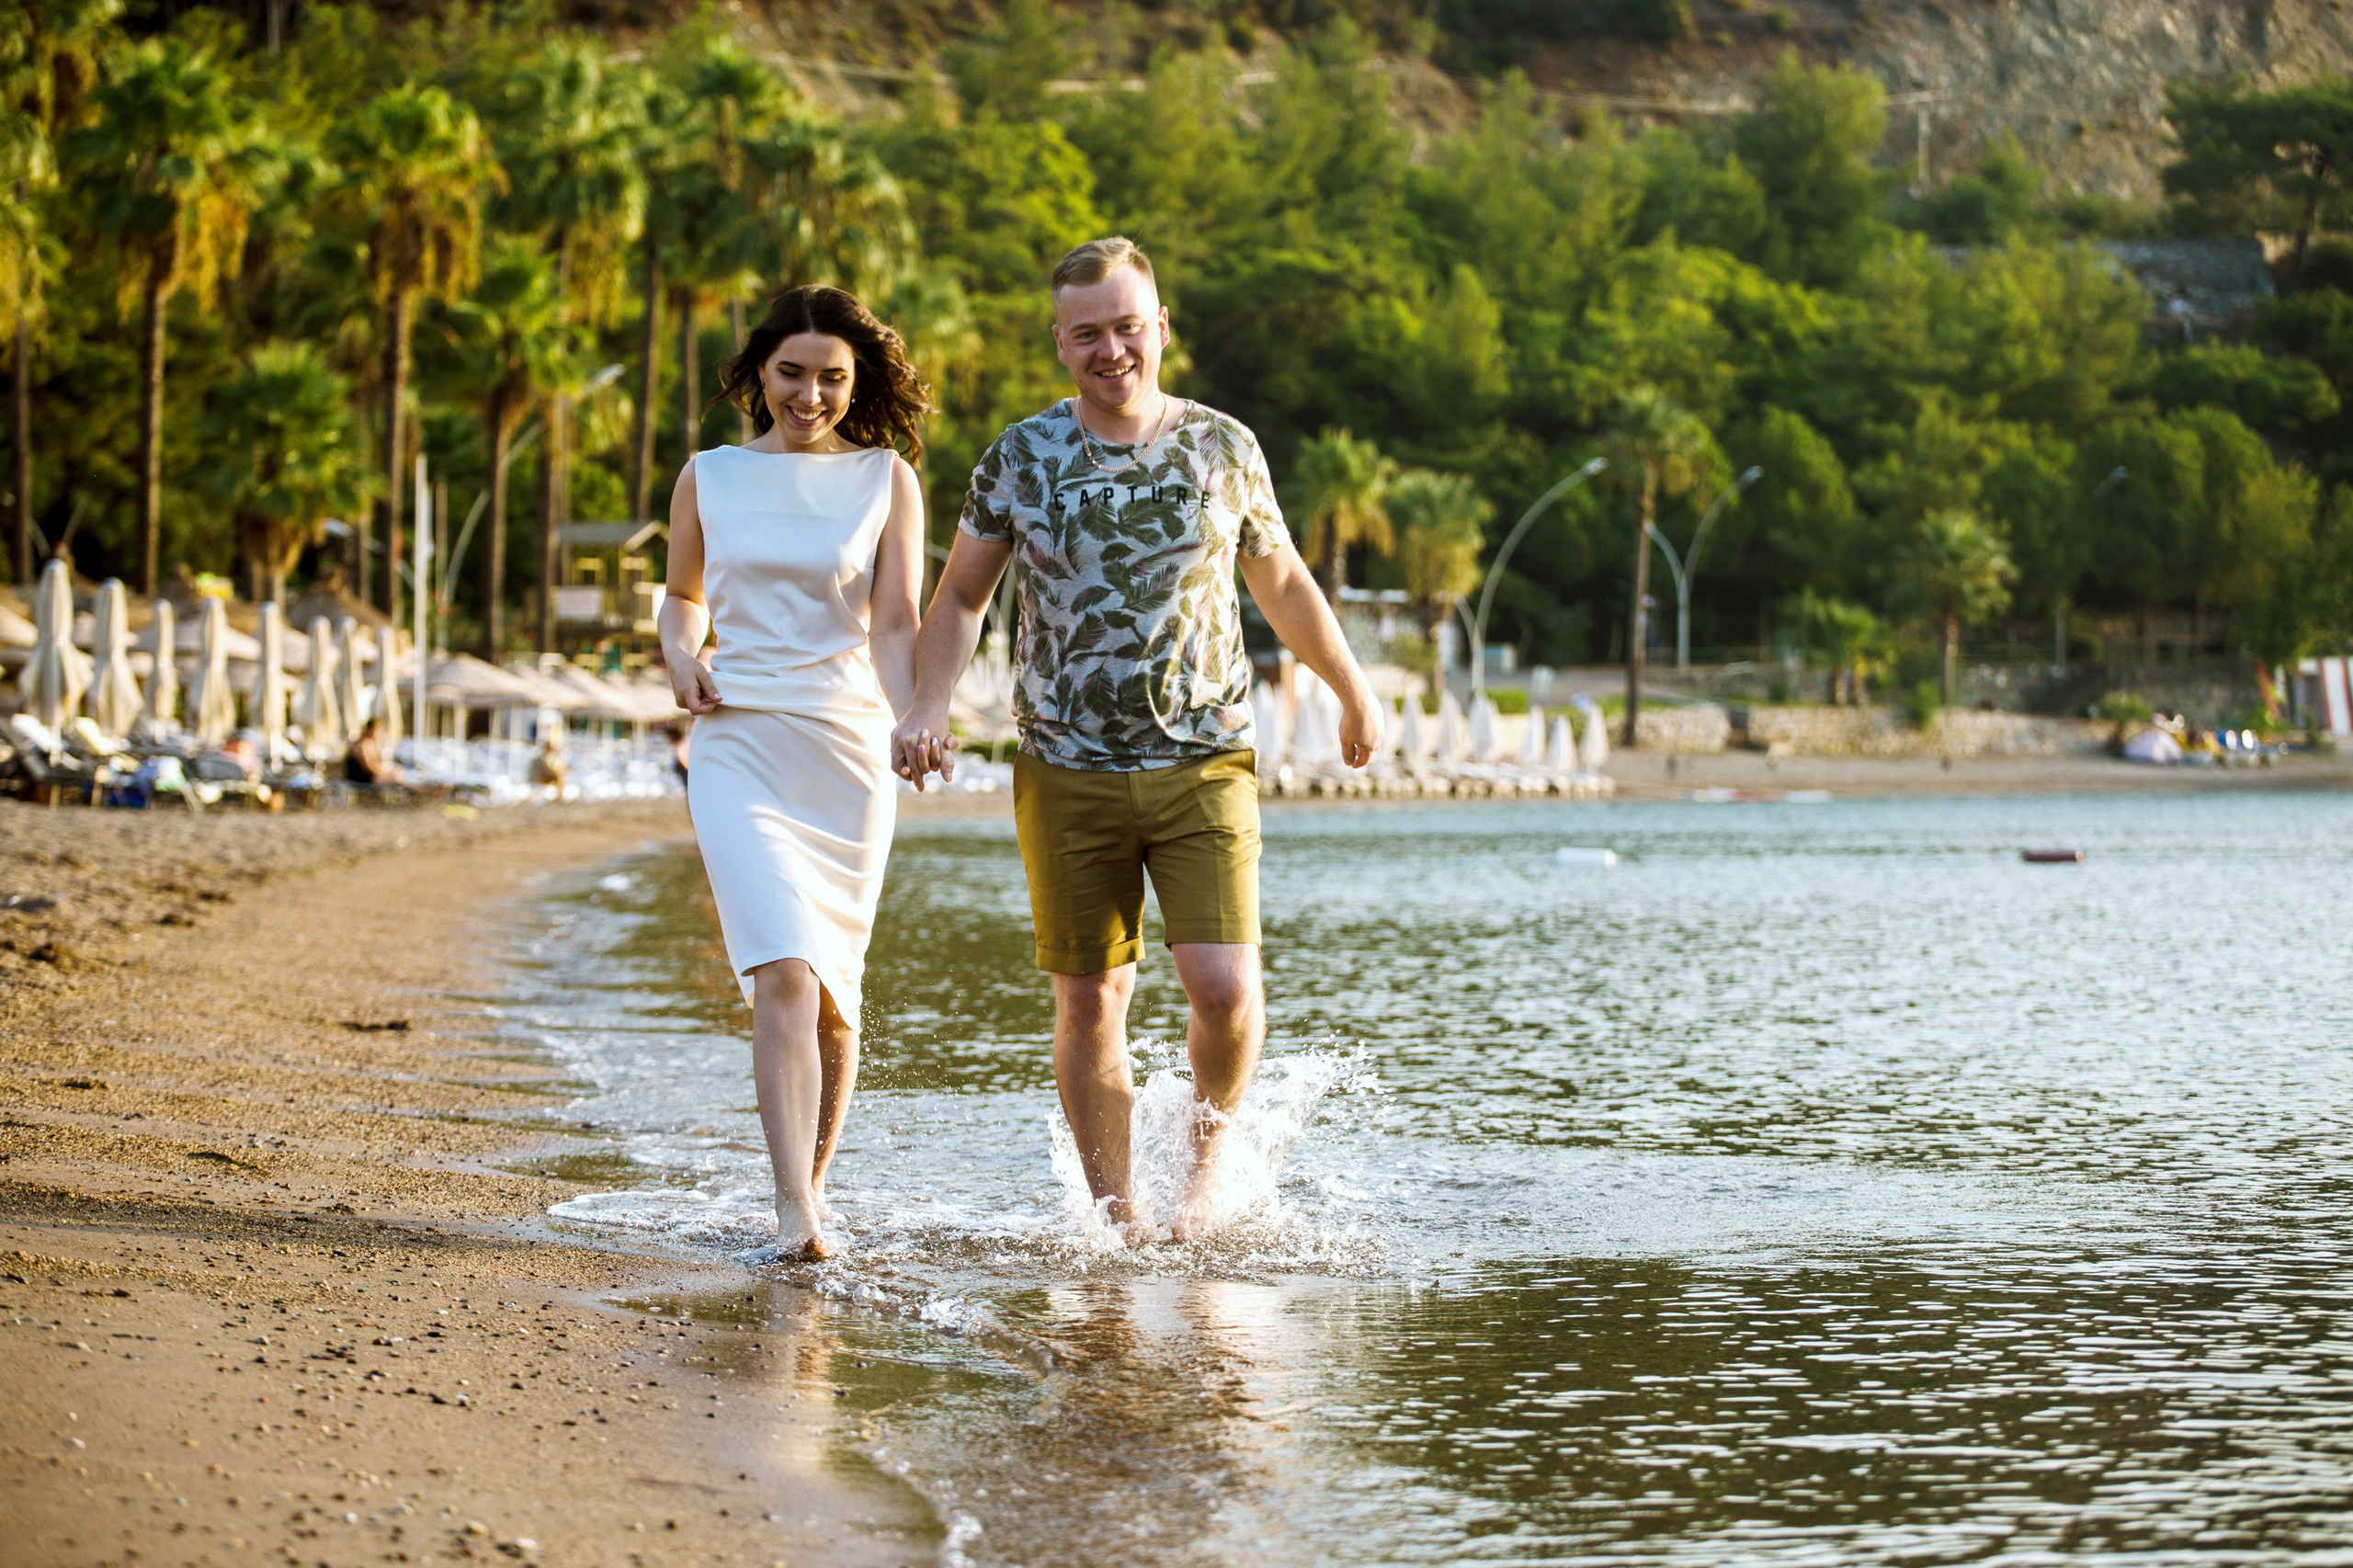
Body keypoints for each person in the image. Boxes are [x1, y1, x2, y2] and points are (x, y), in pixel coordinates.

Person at [893, 236, 1381, 1244]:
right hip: (1065, 764)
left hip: (1203, 756)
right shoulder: (1019, 457)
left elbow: (1281, 583)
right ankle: (1120, 1222)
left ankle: (1204, 1182)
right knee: (1089, 1000)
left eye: (1127, 326)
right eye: (1088, 334)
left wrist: (1351, 688)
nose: (1111, 348)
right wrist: (927, 705)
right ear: (1060, 345)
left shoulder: (1223, 447)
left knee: (1225, 987)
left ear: (1160, 327)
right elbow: (961, 595)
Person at [660, 283, 930, 1262]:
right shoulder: (710, 474)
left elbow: (895, 622)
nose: (808, 395)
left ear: (856, 384)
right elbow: (682, 596)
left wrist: (916, 715)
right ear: (758, 371)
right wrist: (679, 653)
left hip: (847, 749)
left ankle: (812, 1192)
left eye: (831, 378)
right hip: (737, 737)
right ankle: (792, 1211)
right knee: (781, 966)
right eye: (791, 373)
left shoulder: (886, 478)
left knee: (833, 996)